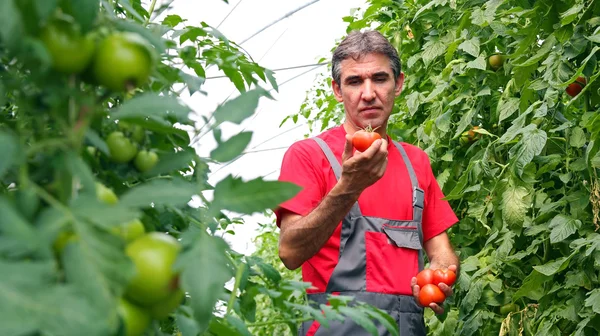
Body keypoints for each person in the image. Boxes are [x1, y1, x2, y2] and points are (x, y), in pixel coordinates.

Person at [274, 29, 460, 336]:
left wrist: (439, 273)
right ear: (337, 89)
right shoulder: (308, 156)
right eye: (355, 81)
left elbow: (442, 251)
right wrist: (349, 184)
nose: (369, 93)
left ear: (398, 83)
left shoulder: (416, 163)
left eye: (380, 78)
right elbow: (290, 252)